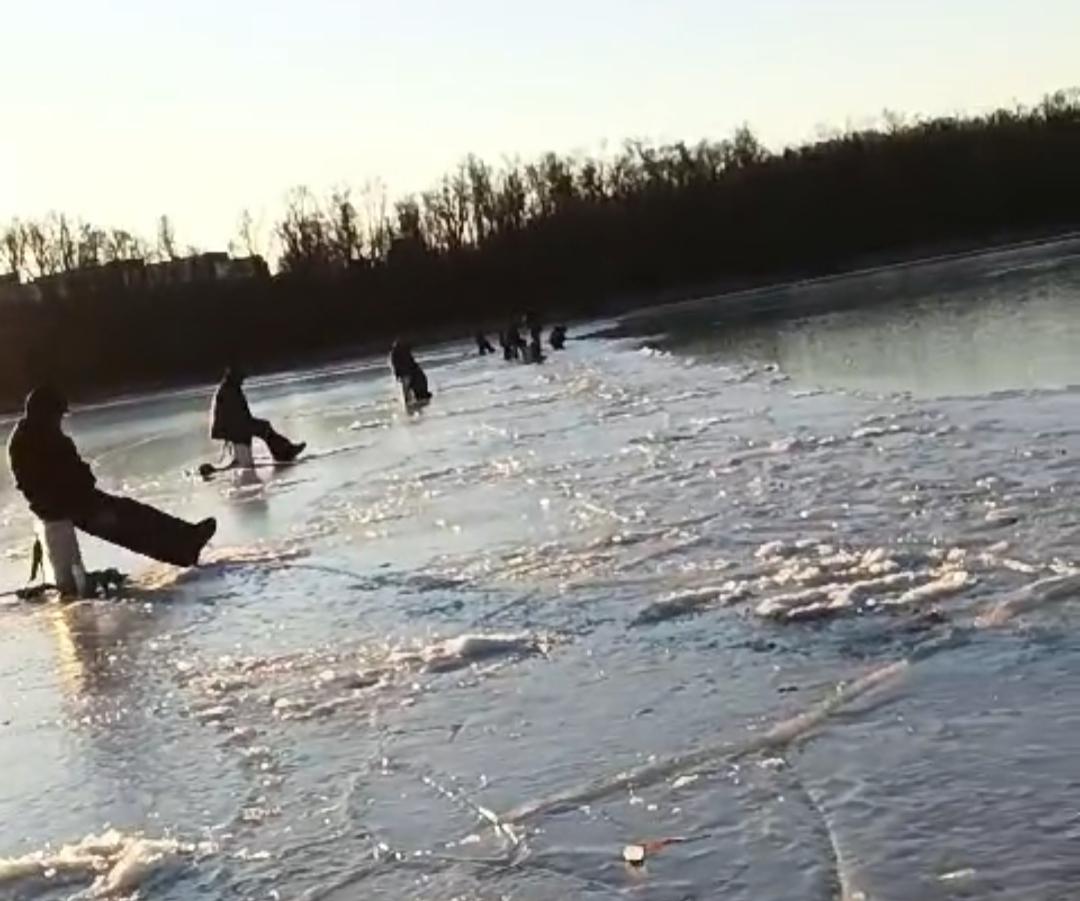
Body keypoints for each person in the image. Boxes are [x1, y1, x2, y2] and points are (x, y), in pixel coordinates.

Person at [8, 385, 217, 567]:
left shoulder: (30, 437)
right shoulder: (42, 440)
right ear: (46, 413)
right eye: (58, 415)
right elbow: (70, 477)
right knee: (130, 521)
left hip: (67, 501)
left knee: (132, 512)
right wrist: (78, 484)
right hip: (69, 505)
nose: (60, 420)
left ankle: (186, 539)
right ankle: (184, 544)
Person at [210, 367, 305, 464]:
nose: (242, 381)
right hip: (231, 428)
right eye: (241, 378)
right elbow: (235, 416)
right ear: (234, 378)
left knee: (264, 427)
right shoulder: (229, 391)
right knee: (264, 428)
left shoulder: (230, 389)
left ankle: (284, 451)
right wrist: (250, 426)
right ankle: (284, 452)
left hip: (232, 426)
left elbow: (240, 414)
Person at [389, 340, 432, 406]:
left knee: (407, 391)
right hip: (408, 373)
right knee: (408, 391)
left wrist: (397, 375)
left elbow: (395, 365)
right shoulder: (399, 353)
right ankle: (409, 403)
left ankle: (408, 403)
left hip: (408, 373)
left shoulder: (395, 353)